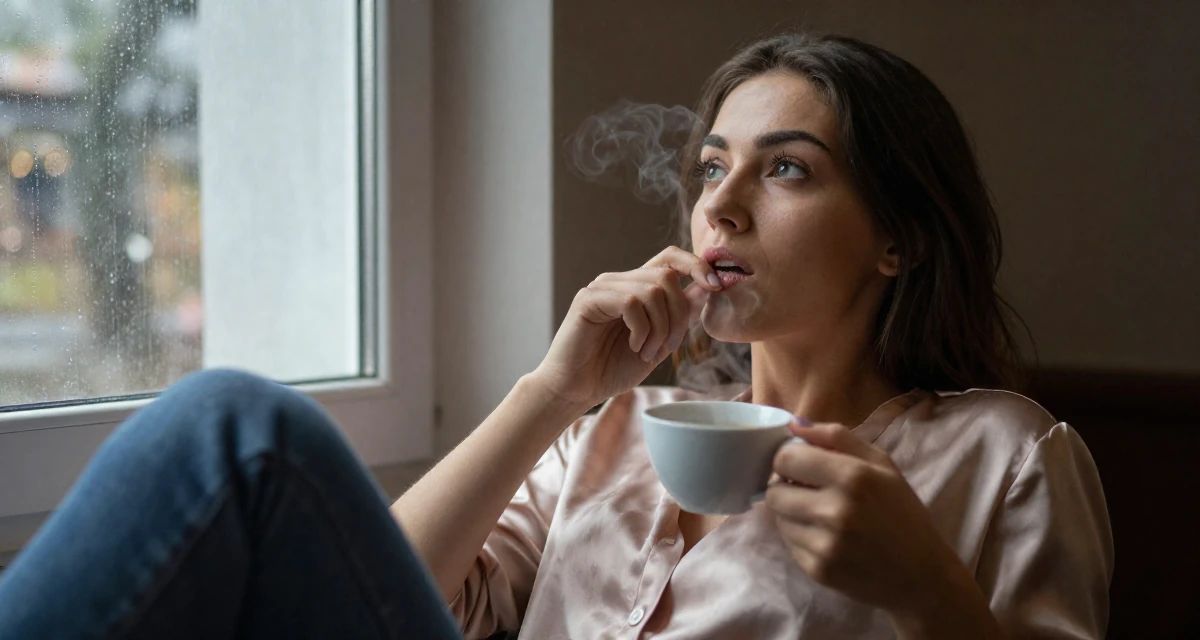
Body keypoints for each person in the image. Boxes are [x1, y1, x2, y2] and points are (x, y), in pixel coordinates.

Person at [0, 33, 1112, 639]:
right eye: (711, 167)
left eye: (786, 169)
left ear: (899, 240)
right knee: (229, 428)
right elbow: (397, 601)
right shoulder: (614, 431)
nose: (721, 206)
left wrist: (927, 595)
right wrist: (551, 392)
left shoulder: (1004, 457)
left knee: (235, 425)